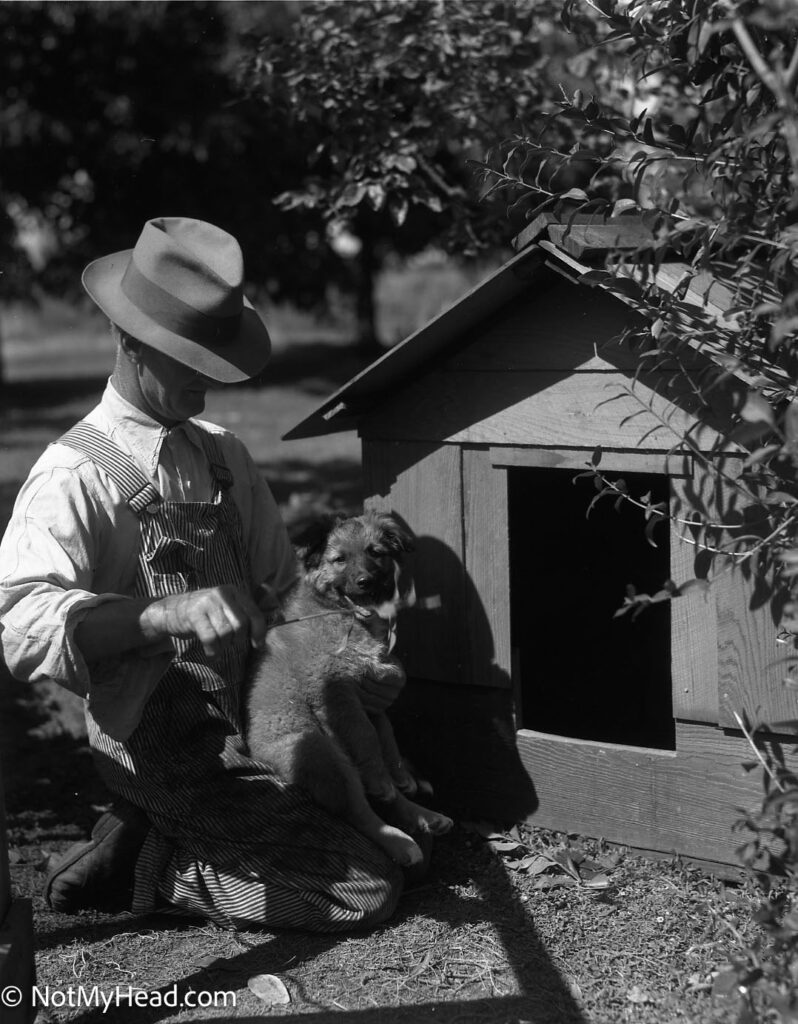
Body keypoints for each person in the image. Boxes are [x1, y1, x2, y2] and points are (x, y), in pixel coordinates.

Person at [0, 217, 405, 931]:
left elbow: (287, 597)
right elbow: (23, 621)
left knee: (384, 800)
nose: (211, 376)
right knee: (363, 888)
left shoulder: (225, 457)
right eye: (189, 356)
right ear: (128, 340)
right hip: (164, 746)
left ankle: (173, 830)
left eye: (215, 353)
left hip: (254, 712)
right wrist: (158, 616)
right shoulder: (75, 473)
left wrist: (344, 666)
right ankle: (150, 863)